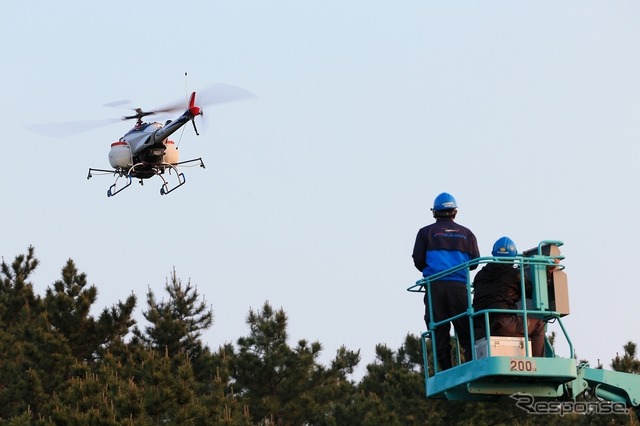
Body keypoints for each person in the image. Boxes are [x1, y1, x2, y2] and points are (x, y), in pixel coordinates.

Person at [412, 192, 480, 370]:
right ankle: (472, 365)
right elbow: (475, 262)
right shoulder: (467, 234)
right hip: (459, 287)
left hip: (435, 287)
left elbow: (418, 260)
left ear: (434, 213)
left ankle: (446, 369)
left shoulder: (425, 233)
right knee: (466, 329)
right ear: (455, 212)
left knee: (439, 330)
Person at [472, 237, 545, 357]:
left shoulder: (480, 275)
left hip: (480, 327)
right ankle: (537, 365)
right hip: (503, 322)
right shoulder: (514, 274)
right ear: (513, 256)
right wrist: (547, 273)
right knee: (538, 325)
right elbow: (532, 291)